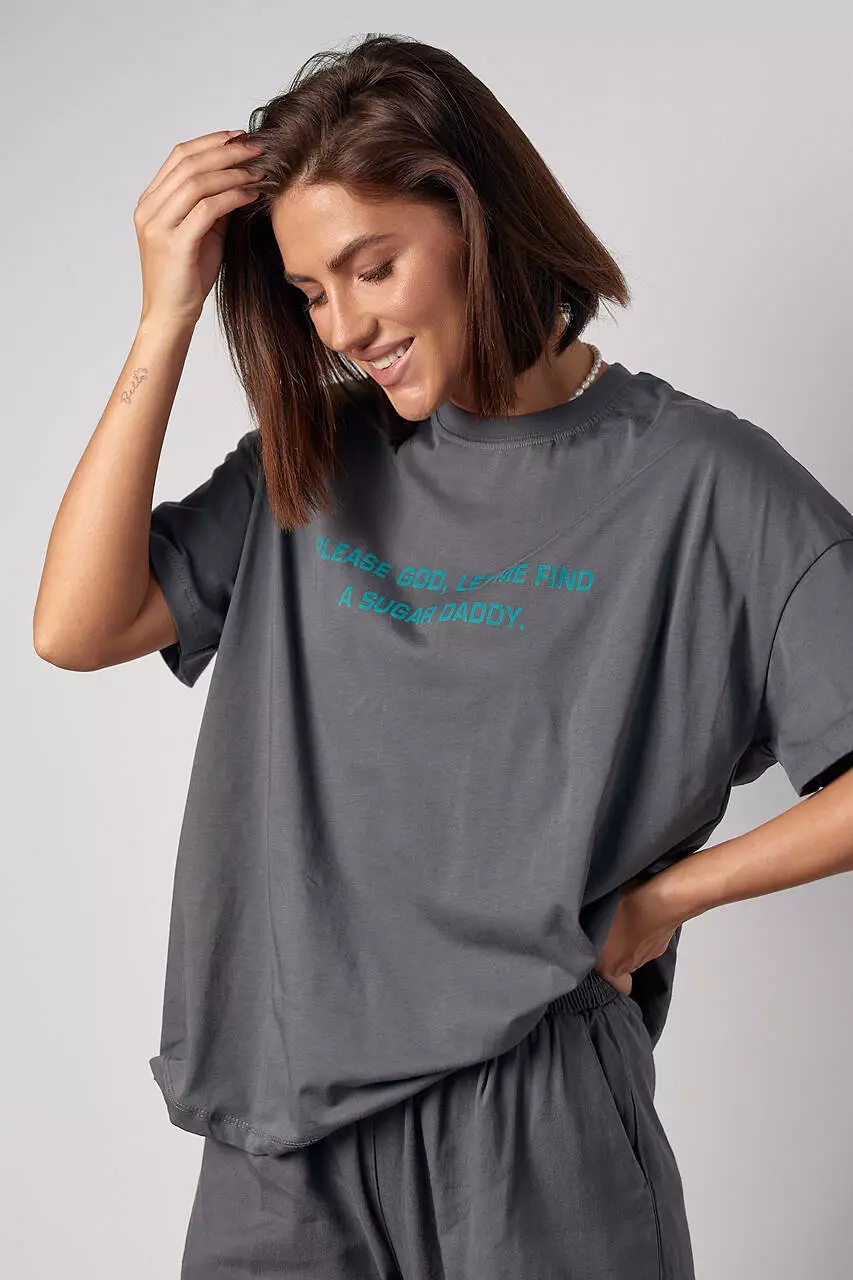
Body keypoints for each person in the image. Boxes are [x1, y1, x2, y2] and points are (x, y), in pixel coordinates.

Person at [33, 33, 853, 1280]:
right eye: (311, 292)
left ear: (478, 224)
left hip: (534, 1114)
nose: (346, 325)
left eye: (374, 266)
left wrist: (664, 899)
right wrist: (167, 311)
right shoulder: (311, 459)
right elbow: (77, 626)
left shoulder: (705, 484)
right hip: (279, 1128)